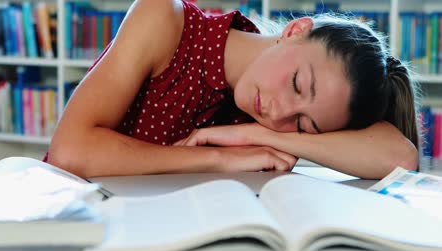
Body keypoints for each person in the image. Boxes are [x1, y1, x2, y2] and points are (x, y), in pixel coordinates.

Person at [47, 0, 420, 179]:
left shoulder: (265, 122)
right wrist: (217, 158)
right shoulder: (164, 18)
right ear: (294, 31)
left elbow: (399, 157)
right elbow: (70, 151)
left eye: (303, 124)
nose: (277, 113)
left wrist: (252, 133)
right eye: (296, 85)